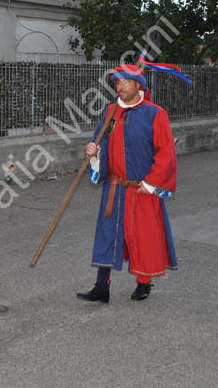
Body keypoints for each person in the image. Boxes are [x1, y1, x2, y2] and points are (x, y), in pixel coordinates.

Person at [77, 64, 177, 303]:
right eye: (117, 83)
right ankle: (102, 287)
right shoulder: (112, 112)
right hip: (114, 188)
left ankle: (144, 283)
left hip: (141, 188)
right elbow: (102, 138)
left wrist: (152, 183)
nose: (119, 87)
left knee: (143, 237)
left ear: (137, 85)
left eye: (124, 82)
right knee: (108, 235)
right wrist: (95, 150)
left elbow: (166, 152)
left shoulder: (155, 114)